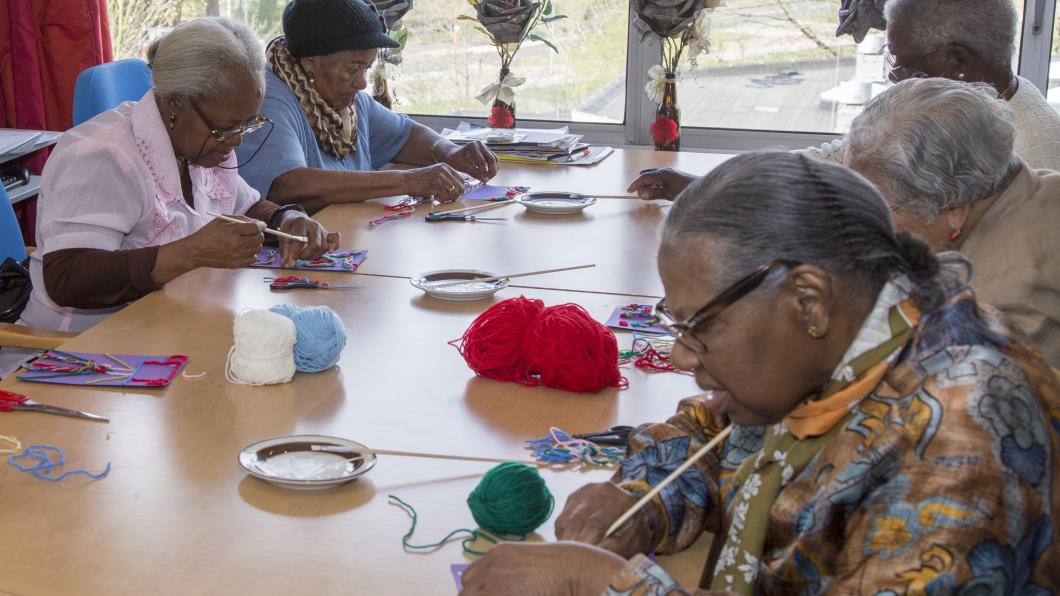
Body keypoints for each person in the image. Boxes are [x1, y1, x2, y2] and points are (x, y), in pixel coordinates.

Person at [459, 152, 1060, 594]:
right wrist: (641, 501)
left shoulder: (963, 433)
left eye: (701, 325)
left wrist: (602, 583)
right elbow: (710, 436)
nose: (678, 358)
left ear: (808, 300)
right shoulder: (850, 338)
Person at [19, 17, 338, 334]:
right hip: (75, 352)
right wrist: (189, 253)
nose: (237, 140)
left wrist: (288, 220)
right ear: (175, 104)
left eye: (246, 124)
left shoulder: (202, 146)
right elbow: (66, 278)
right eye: (226, 128)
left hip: (165, 329)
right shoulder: (102, 155)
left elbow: (245, 207)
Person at [628, 0, 1060, 200]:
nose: (892, 78)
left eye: (902, 62)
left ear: (958, 60)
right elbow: (844, 159)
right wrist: (714, 184)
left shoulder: (1027, 155)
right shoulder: (967, 105)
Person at [844, 77, 1060, 368]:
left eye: (878, 206)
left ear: (955, 209)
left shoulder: (995, 306)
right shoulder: (1032, 185)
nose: (859, 220)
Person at [236, 0, 499, 213]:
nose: (362, 82)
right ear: (310, 61)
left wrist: (449, 151)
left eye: (367, 67)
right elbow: (287, 185)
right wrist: (409, 181)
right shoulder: (268, 100)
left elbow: (406, 135)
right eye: (353, 68)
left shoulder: (346, 99)